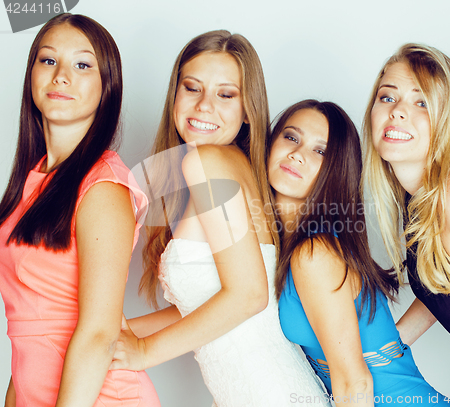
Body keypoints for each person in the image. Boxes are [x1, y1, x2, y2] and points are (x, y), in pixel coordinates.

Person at [110, 31, 330, 406]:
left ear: (248, 109)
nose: (204, 106)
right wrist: (120, 331)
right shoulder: (233, 168)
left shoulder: (207, 163)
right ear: (175, 95)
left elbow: (248, 295)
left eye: (225, 94)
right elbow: (204, 302)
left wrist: (144, 352)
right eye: (192, 88)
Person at [0, 13, 160, 407]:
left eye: (83, 64)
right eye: (48, 60)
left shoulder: (103, 185)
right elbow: (29, 329)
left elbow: (98, 334)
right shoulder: (34, 178)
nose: (61, 75)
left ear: (108, 87)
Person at [274, 100, 450, 406]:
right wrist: (387, 347)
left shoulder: (315, 253)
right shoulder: (291, 248)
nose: (297, 154)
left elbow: (353, 381)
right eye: (291, 137)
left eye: (320, 151)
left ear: (336, 170)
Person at [363, 42, 450, 400]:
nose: (398, 113)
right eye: (388, 98)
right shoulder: (424, 197)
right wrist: (388, 349)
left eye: (421, 102)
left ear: (449, 121)